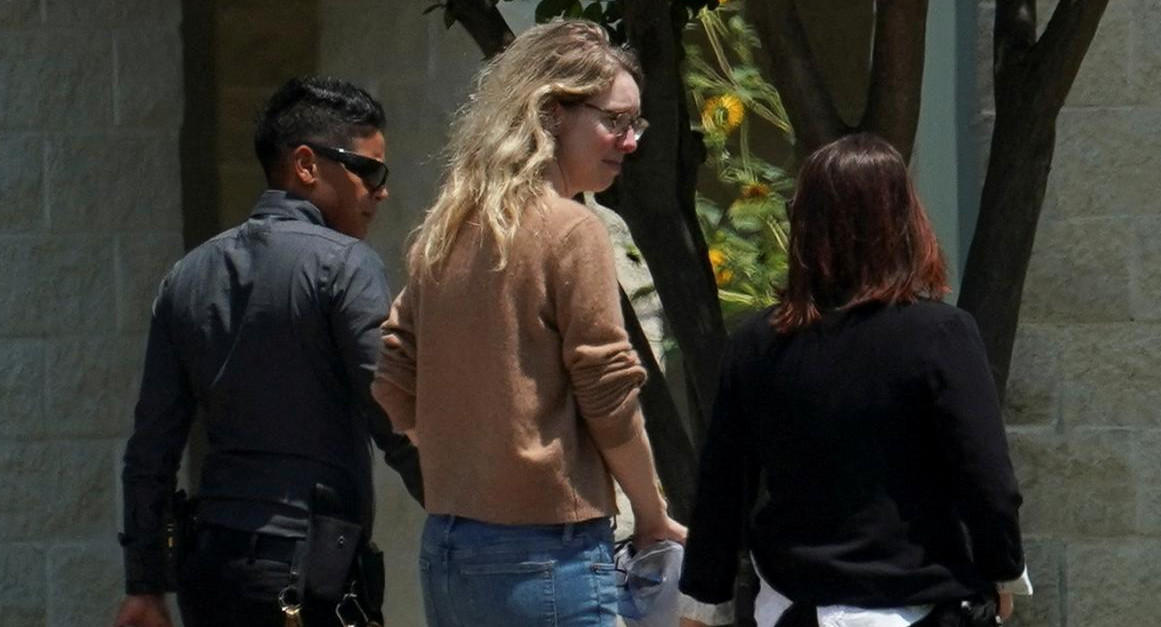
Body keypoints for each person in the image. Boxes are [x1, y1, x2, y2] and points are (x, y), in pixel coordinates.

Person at [371, 19, 686, 627]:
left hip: (448, 550)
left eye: (634, 123)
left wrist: (469, 451)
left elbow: (390, 375)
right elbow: (609, 395)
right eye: (614, 120)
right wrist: (650, 513)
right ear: (551, 113)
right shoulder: (572, 228)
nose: (630, 141)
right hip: (547, 556)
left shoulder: (449, 227)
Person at [678, 133, 1031, 627]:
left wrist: (701, 601)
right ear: (903, 222)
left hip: (792, 608)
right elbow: (987, 480)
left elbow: (722, 491)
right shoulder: (940, 335)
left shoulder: (757, 343)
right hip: (917, 606)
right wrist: (1005, 572)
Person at [113, 76, 423, 627]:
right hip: (309, 574)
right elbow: (394, 413)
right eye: (369, 171)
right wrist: (469, 513)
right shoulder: (345, 265)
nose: (381, 191)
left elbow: (151, 448)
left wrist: (145, 583)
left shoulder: (186, 276)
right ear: (307, 165)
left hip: (209, 572)